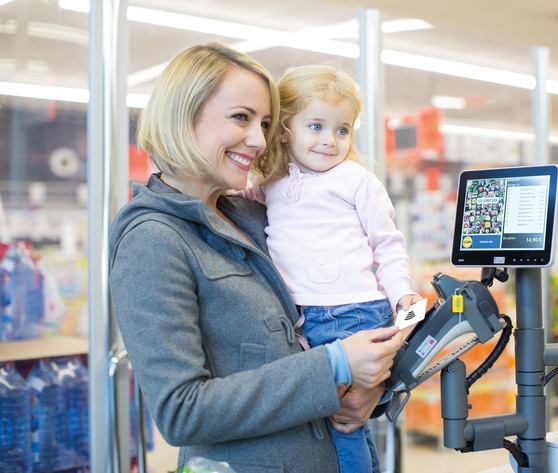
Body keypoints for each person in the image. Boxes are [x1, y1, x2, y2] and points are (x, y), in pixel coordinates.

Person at [108, 42, 403, 473]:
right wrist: (334, 365)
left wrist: (370, 388)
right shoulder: (152, 240)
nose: (260, 140)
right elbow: (181, 410)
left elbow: (324, 332)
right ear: (182, 116)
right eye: (241, 118)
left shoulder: (253, 215)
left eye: (266, 123)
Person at [236, 64, 423, 472]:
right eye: (316, 126)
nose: (330, 141)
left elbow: (387, 245)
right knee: (342, 422)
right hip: (303, 317)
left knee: (342, 422)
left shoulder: (356, 180)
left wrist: (402, 293)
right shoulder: (270, 182)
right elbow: (238, 197)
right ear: (284, 128)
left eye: (342, 130)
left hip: (350, 314)